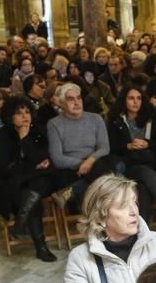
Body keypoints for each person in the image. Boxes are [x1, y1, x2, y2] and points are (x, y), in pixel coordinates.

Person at [0, 96, 71, 262]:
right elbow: (6, 167)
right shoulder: (3, 134)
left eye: (27, 112)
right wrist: (33, 166)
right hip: (16, 182)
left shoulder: (39, 130)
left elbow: (43, 157)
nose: (25, 116)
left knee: (39, 182)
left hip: (44, 180)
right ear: (9, 116)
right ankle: (40, 247)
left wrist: (25, 139)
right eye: (19, 113)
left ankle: (21, 222)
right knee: (31, 190)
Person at [108, 85, 156, 230]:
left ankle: (142, 231)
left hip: (150, 164)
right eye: (131, 98)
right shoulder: (115, 121)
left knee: (144, 186)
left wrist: (147, 143)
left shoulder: (152, 118)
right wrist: (128, 146)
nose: (135, 102)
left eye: (139, 98)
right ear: (124, 101)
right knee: (145, 174)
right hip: (127, 165)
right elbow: (111, 148)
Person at [47, 82, 116, 212]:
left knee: (109, 163)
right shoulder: (54, 124)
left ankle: (71, 192)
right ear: (61, 103)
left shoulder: (96, 119)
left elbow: (104, 148)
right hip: (71, 170)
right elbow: (57, 158)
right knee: (110, 173)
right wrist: (82, 164)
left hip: (95, 165)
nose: (76, 102)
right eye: (70, 99)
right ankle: (108, 213)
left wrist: (90, 161)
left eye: (79, 98)